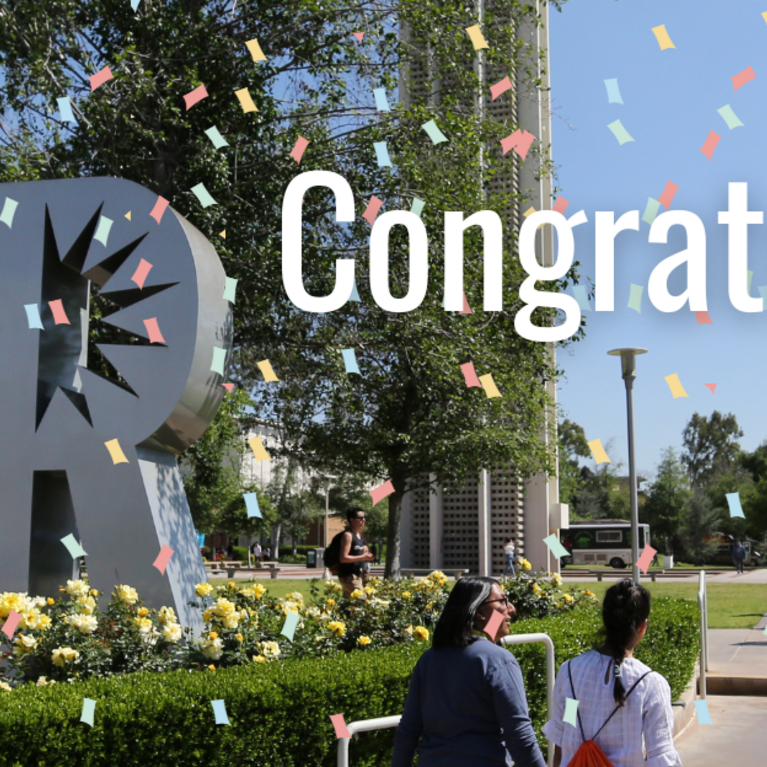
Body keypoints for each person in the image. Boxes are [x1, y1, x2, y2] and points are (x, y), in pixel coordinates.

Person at [391, 576, 546, 767]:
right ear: (479, 613)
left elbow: (408, 731)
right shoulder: (499, 660)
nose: (511, 609)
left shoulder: (429, 659)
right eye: (502, 601)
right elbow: (520, 734)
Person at [543, 579, 682, 767]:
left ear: (605, 621)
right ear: (642, 627)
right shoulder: (651, 684)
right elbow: (661, 756)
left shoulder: (569, 671)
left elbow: (564, 735)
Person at [338, 507, 374, 598]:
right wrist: (362, 557)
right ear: (352, 520)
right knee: (362, 599)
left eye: (364, 517)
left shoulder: (359, 535)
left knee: (348, 604)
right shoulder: (348, 535)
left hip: (357, 574)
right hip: (348, 576)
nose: (363, 520)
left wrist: (366, 557)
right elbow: (343, 558)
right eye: (360, 518)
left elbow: (359, 555)